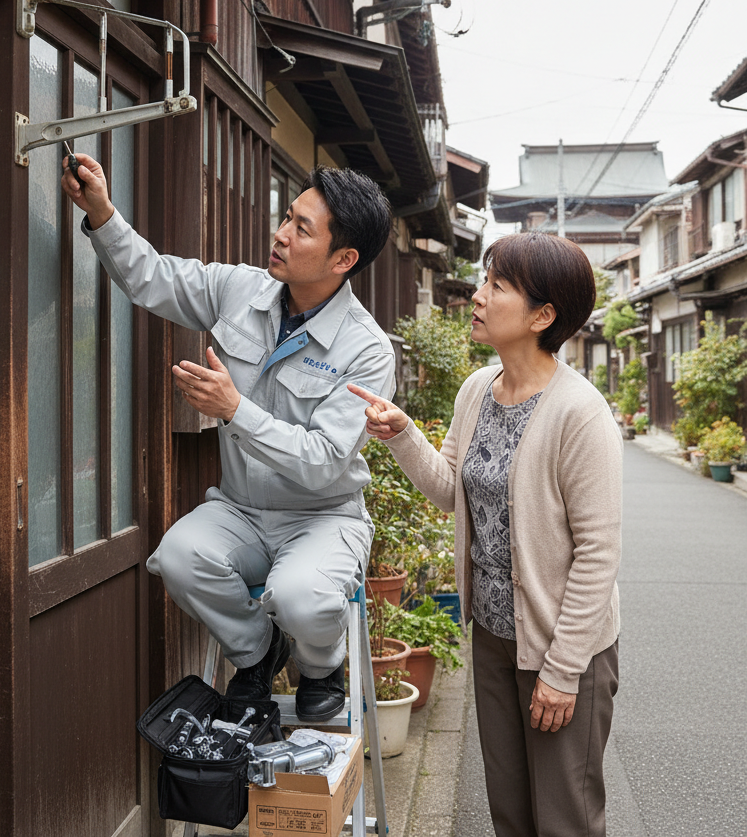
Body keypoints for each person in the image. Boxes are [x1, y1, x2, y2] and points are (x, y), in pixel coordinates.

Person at [64, 153, 396, 721]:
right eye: (287, 217)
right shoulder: (241, 289)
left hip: (323, 516)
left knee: (300, 598)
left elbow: (323, 462)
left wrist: (235, 409)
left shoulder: (366, 350)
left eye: (301, 228)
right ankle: (259, 652)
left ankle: (322, 665)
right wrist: (102, 214)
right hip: (240, 509)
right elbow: (153, 277)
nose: (281, 234)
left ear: (343, 259)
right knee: (179, 557)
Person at [349, 232, 622, 837]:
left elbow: (599, 555)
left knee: (564, 819)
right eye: (485, 281)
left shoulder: (581, 413)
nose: (478, 296)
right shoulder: (478, 389)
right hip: (496, 637)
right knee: (510, 813)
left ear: (542, 316)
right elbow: (452, 490)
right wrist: (401, 434)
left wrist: (563, 669)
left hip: (561, 644)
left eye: (497, 286)